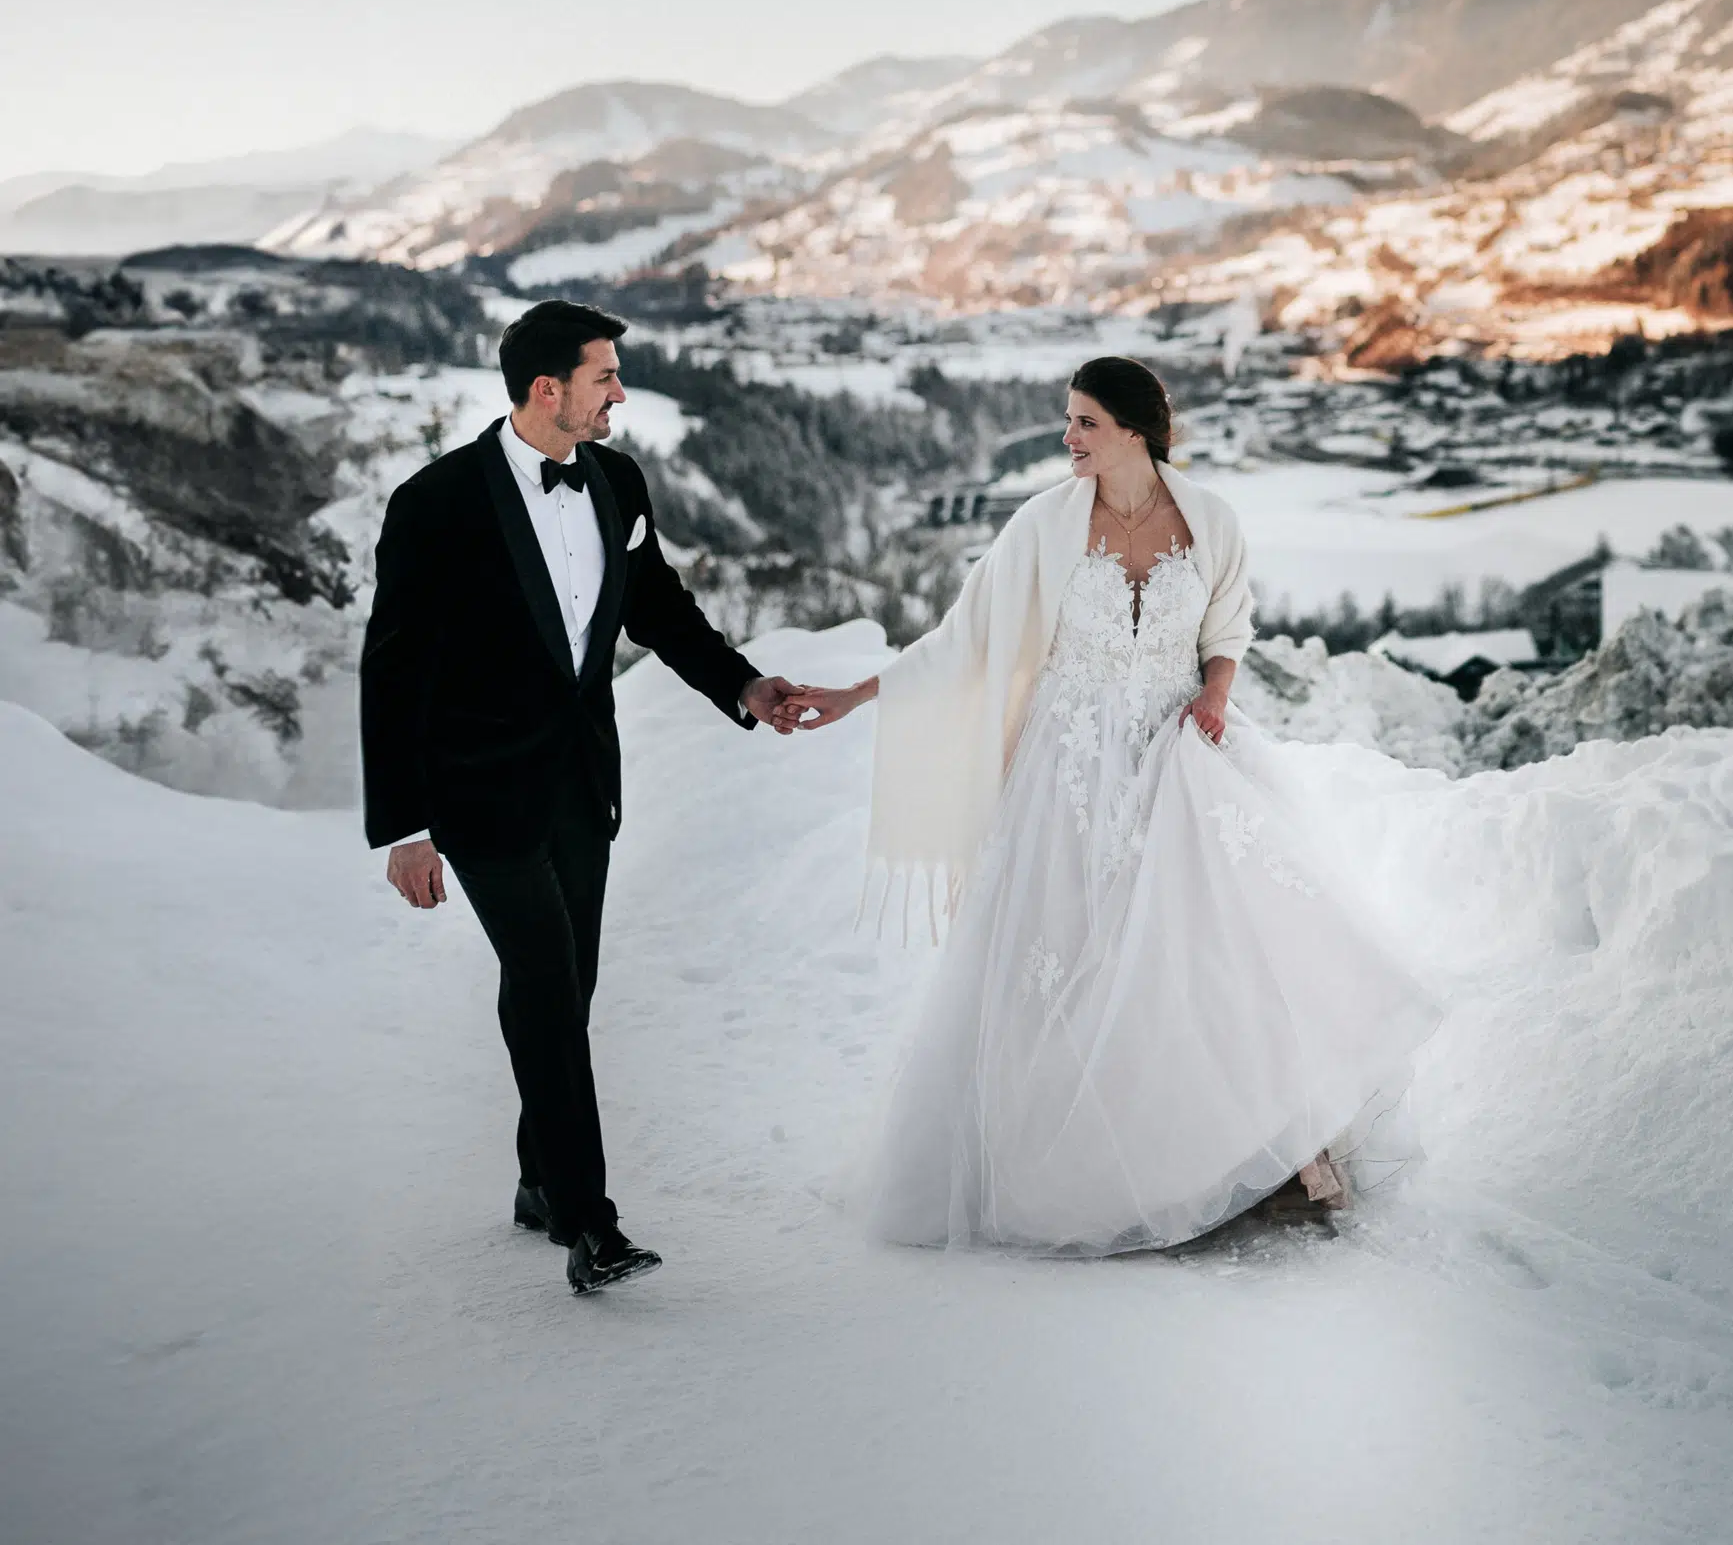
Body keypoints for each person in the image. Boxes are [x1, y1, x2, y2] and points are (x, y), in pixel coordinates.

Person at [790, 355, 1439, 1253]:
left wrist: (1213, 693)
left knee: (1214, 951)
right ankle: (1091, 1173)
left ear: (1134, 428)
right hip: (1066, 769)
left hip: (1179, 750)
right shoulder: (1042, 524)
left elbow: (1228, 625)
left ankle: (1259, 1158)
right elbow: (960, 640)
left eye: (1083, 423)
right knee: (1078, 958)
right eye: (1068, 422)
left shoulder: (1208, 518)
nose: (1067, 439)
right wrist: (852, 697)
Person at [359, 298, 806, 1296]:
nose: (620, 392)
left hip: (581, 788)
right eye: (606, 375)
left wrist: (743, 683)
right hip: (475, 797)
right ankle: (587, 1221)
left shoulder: (615, 478)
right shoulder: (434, 503)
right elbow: (389, 670)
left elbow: (659, 605)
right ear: (547, 387)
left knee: (567, 987)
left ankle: (535, 1176)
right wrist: (403, 827)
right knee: (551, 989)